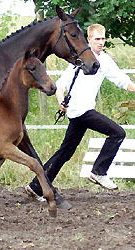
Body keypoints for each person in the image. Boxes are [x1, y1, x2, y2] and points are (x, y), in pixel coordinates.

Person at [25, 24, 135, 201]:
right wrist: (60, 100)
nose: (101, 42)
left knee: (65, 153)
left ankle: (36, 186)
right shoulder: (80, 60)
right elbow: (61, 85)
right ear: (89, 40)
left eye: (103, 39)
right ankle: (98, 171)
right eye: (97, 39)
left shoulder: (104, 60)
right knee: (117, 133)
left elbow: (122, 80)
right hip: (81, 111)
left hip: (80, 113)